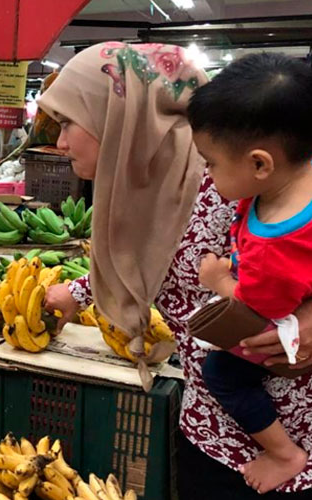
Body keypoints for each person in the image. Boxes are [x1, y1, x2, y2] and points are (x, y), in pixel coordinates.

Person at [38, 42, 312, 499]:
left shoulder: (232, 171)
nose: (60, 142)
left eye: (68, 121)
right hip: (208, 424)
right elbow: (155, 258)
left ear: (121, 117)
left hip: (290, 429)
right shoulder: (142, 179)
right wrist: (83, 292)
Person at [188, 52, 312, 494]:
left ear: (261, 164)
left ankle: (283, 453)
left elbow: (261, 307)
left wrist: (219, 281)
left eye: (211, 162)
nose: (208, 171)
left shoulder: (273, 245)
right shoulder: (284, 188)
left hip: (277, 335)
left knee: (221, 372)